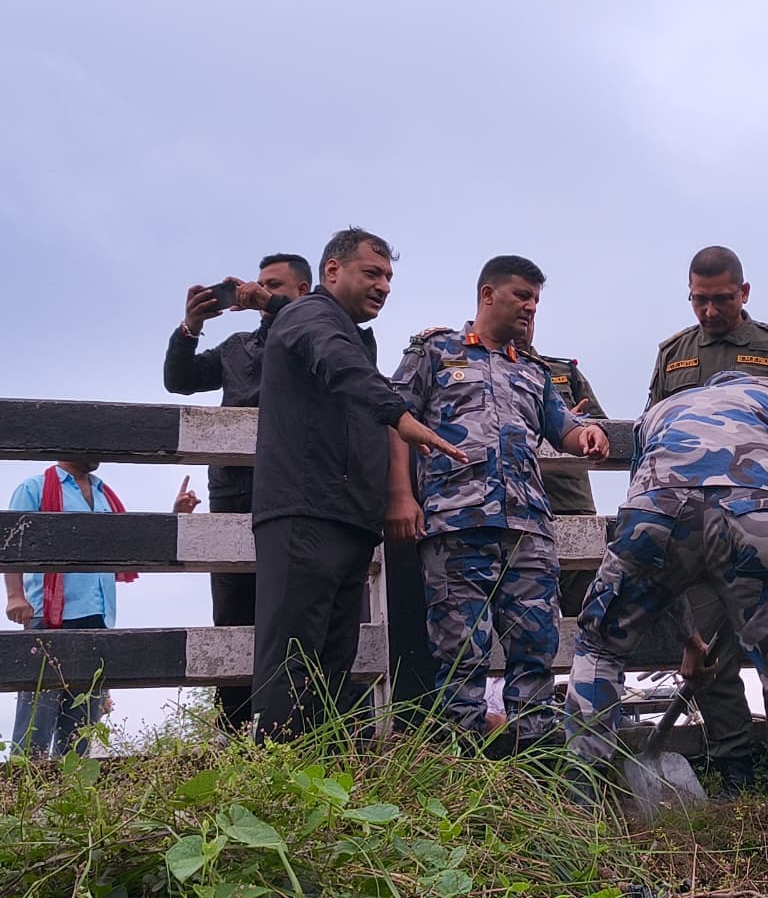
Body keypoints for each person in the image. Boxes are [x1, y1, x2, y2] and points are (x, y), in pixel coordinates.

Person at [566, 373, 768, 894]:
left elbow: (665, 533)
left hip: (656, 511)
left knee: (599, 646)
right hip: (757, 508)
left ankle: (575, 835)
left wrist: (686, 635)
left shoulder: (662, 411)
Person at [385, 255, 610, 749]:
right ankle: (462, 771)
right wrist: (402, 496)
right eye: (521, 297)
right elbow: (393, 419)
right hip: (457, 523)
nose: (530, 308)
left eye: (535, 300)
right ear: (488, 295)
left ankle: (533, 768)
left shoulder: (534, 370)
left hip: (527, 528)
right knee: (460, 650)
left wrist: (586, 433)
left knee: (536, 649)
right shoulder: (434, 351)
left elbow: (562, 426)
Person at [251, 227, 464, 742]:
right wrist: (399, 414)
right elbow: (337, 363)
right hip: (304, 511)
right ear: (332, 271)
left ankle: (318, 784)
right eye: (372, 273)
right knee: (293, 656)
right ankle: (276, 779)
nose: (384, 285)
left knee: (333, 663)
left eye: (389, 276)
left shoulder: (352, 335)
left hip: (347, 517)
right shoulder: (308, 316)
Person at [645, 244, 768, 796]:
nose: (709, 312)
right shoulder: (675, 355)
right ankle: (735, 765)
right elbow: (653, 436)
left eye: (720, 300)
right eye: (699, 301)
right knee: (708, 649)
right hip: (694, 523)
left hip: (761, 518)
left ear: (743, 293)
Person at [163, 252, 312, 733]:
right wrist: (189, 327)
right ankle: (233, 733)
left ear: (305, 293)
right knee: (232, 611)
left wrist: (273, 305)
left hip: (298, 494)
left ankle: (292, 729)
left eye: (276, 286)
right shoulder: (236, 348)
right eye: (260, 283)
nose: (260, 291)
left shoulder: (318, 339)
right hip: (233, 494)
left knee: (292, 610)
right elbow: (179, 382)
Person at [5, 461, 142, 757]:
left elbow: (126, 544)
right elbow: (11, 540)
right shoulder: (34, 488)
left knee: (82, 724)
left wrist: (175, 516)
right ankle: (24, 796)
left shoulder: (105, 493)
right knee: (36, 720)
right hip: (50, 617)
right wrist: (16, 595)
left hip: (97, 616)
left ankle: (70, 793)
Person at [519, 315, 608, 617]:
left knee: (582, 613)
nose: (524, 322)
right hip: (514, 507)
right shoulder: (476, 369)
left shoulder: (560, 372)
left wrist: (569, 422)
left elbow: (605, 428)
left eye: (530, 315)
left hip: (571, 501)